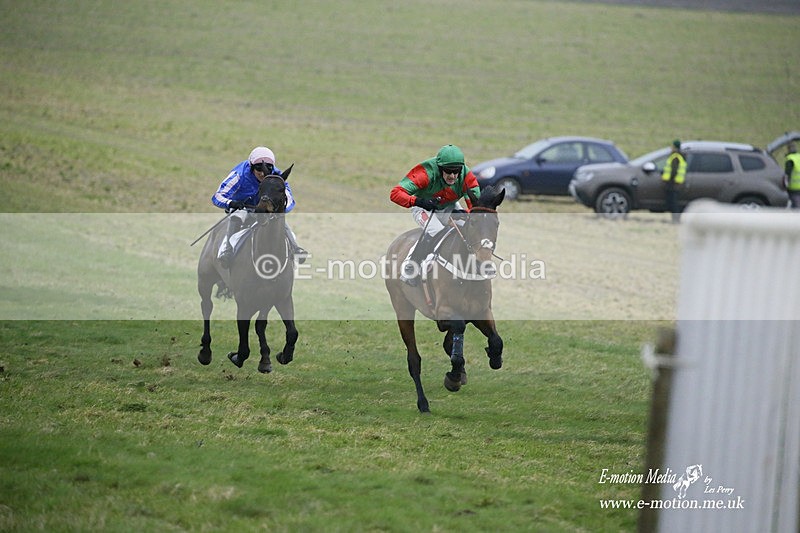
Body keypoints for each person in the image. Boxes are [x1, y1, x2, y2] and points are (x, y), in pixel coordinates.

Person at [390, 144, 481, 286]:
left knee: (468, 228)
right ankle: (411, 264)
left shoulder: (467, 177)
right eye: (448, 171)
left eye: (456, 171)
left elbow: (477, 210)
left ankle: (472, 264)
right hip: (423, 208)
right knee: (437, 230)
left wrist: (465, 213)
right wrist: (419, 201)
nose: (452, 176)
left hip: (449, 206)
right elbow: (395, 193)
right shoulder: (425, 173)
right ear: (439, 168)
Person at [212, 146, 306, 268]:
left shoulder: (276, 176)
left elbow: (290, 201)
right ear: (251, 167)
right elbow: (217, 196)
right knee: (237, 216)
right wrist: (231, 203)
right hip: (242, 208)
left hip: (265, 210)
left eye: (267, 168)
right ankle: (227, 250)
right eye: (258, 169)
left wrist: (278, 209)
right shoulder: (238, 175)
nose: (262, 173)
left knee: (280, 219)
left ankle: (295, 248)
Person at [662, 139, 686, 223]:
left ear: (675, 147)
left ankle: (675, 220)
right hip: (677, 183)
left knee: (674, 203)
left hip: (673, 183)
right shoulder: (680, 155)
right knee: (674, 203)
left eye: (672, 146)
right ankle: (675, 219)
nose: (671, 148)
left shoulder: (675, 156)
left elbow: (673, 170)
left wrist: (669, 180)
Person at [784, 142, 800, 209]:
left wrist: (785, 185)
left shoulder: (790, 159)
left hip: (793, 188)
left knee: (796, 206)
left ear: (788, 149)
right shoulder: (799, 156)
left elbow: (788, 174)